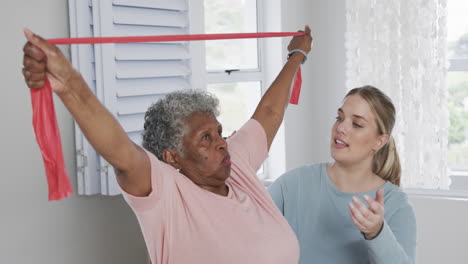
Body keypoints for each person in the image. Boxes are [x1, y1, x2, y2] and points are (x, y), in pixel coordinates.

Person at [22, 26, 312, 264]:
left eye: (219, 132)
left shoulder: (237, 166)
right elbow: (121, 152)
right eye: (205, 138)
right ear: (172, 157)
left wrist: (297, 54)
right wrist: (69, 83)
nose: (222, 144)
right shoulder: (166, 193)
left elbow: (270, 112)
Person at [268, 86, 416, 264]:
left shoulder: (396, 204)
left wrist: (377, 232)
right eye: (339, 118)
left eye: (357, 124)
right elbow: (247, 228)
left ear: (380, 141)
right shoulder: (293, 185)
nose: (341, 128)